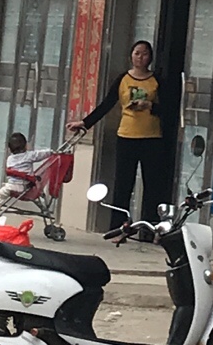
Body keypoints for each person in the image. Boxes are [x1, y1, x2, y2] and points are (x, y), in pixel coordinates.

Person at [67, 40, 163, 229]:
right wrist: (85, 123)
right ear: (131, 55)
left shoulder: (157, 81)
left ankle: (151, 228)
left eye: (144, 54)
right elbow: (106, 104)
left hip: (152, 137)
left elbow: (169, 109)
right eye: (137, 53)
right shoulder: (123, 79)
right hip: (127, 136)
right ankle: (118, 227)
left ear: (150, 57)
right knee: (123, 184)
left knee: (152, 186)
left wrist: (150, 106)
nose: (140, 57)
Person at [0, 132, 52, 208]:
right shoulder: (29, 156)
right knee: (7, 189)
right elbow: (40, 154)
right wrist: (50, 152)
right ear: (26, 146)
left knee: (0, 195)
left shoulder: (10, 159)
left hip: (14, 185)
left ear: (10, 149)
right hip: (25, 186)